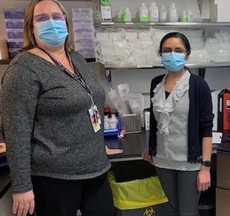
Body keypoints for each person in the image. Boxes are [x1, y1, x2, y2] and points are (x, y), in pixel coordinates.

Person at [0, 0, 114, 216]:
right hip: (54, 177)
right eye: (41, 18)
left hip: (96, 168)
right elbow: (16, 134)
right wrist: (21, 186)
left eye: (56, 16)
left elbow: (88, 104)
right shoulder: (23, 69)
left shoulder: (77, 59)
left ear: (66, 23)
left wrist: (96, 146)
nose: (51, 22)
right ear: (31, 29)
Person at [142, 32, 214, 216]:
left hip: (188, 162)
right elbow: (155, 120)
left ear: (187, 54)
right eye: (167, 50)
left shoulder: (198, 86)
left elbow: (206, 129)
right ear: (161, 54)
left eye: (178, 50)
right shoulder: (156, 83)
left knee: (188, 211)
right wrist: (150, 148)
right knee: (174, 208)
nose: (172, 54)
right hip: (162, 159)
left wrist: (205, 167)